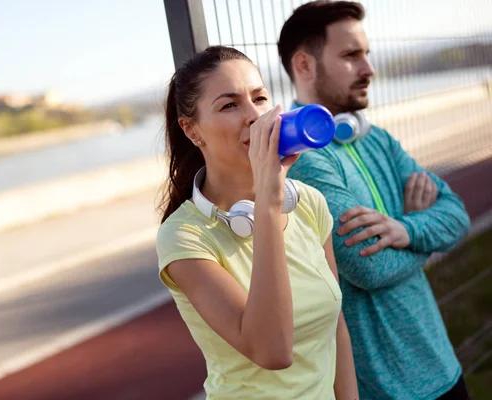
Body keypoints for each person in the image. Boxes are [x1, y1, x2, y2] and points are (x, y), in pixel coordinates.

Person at [277, 1, 472, 399]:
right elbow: (372, 267)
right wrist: (421, 231)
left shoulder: (375, 138)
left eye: (366, 54)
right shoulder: (304, 162)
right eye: (351, 56)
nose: (369, 69)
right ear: (304, 65)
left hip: (444, 369)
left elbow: (458, 216)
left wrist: (406, 227)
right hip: (384, 389)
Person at [155, 45, 359, 399]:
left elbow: (335, 326)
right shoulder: (184, 237)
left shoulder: (308, 203)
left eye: (260, 98)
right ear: (191, 130)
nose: (254, 116)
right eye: (229, 105)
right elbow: (272, 351)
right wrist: (266, 206)